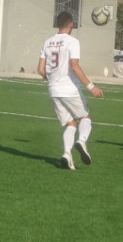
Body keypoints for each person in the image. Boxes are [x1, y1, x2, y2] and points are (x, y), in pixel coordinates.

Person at [38, 11, 104, 170]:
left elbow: (40, 70)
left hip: (53, 90)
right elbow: (74, 66)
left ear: (58, 24)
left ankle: (67, 154)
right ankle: (81, 141)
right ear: (71, 24)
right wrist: (91, 86)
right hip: (69, 89)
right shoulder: (73, 41)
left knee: (71, 124)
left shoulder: (47, 42)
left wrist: (53, 78)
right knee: (85, 117)